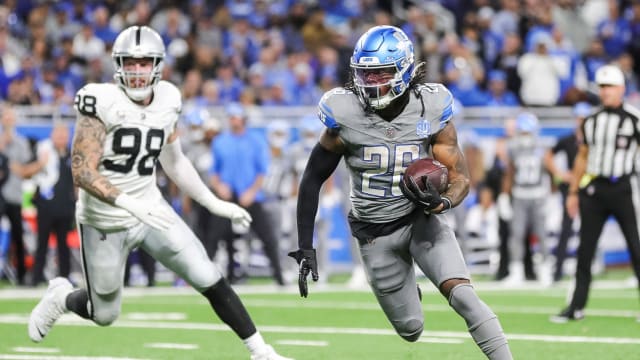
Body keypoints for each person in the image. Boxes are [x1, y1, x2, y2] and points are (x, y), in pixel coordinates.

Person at [27, 26, 292, 360]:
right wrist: (127, 203)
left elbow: (175, 162)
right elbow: (82, 170)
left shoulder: (168, 98)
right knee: (104, 314)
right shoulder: (100, 100)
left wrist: (213, 202)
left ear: (158, 64)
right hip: (104, 220)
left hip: (152, 210)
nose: (137, 72)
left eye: (144, 63)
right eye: (130, 63)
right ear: (118, 64)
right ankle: (62, 297)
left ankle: (261, 352)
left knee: (207, 274)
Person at [289, 25, 512, 359]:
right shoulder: (345, 114)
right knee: (410, 329)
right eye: (366, 74)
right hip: (374, 234)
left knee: (465, 297)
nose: (373, 83)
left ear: (406, 69)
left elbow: (460, 176)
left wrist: (444, 201)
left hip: (420, 221)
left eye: (382, 73)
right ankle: (409, 288)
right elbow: (311, 179)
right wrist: (305, 244)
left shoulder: (430, 106)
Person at [551, 64, 640, 323]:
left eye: (610, 86)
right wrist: (573, 192)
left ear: (622, 88)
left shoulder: (633, 119)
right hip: (594, 189)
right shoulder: (591, 121)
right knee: (585, 250)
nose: (606, 92)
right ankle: (576, 307)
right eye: (602, 87)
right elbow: (583, 156)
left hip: (623, 187)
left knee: (635, 247)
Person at [209, 103, 285, 285]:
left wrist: (252, 192)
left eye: (236, 117)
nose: (233, 120)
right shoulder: (220, 141)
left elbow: (262, 172)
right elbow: (214, 172)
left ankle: (279, 276)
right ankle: (206, 276)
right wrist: (220, 187)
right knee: (215, 237)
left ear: (243, 119)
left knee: (267, 237)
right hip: (227, 196)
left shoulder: (256, 140)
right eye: (231, 117)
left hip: (250, 196)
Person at [499, 112, 552, 286]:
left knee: (541, 234)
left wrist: (552, 195)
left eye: (528, 132)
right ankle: (516, 271)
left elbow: (549, 172)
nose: (525, 136)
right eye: (523, 132)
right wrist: (505, 195)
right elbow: (510, 172)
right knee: (517, 235)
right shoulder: (513, 147)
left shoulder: (542, 147)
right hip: (520, 194)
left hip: (538, 195)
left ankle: (545, 270)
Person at [543, 102, 591, 282]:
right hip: (572, 188)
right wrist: (560, 174)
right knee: (566, 228)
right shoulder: (568, 140)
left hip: (589, 187)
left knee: (590, 228)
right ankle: (558, 270)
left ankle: (588, 268)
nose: (581, 122)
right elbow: (548, 156)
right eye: (579, 118)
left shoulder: (593, 139)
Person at [30, 123, 75, 287]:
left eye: (64, 135)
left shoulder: (72, 155)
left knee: (64, 245)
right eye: (58, 134)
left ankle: (65, 277)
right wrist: (41, 164)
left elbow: (76, 183)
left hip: (65, 208)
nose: (61, 138)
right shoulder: (43, 151)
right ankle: (36, 277)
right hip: (46, 208)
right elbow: (26, 172)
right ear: (52, 136)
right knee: (42, 243)